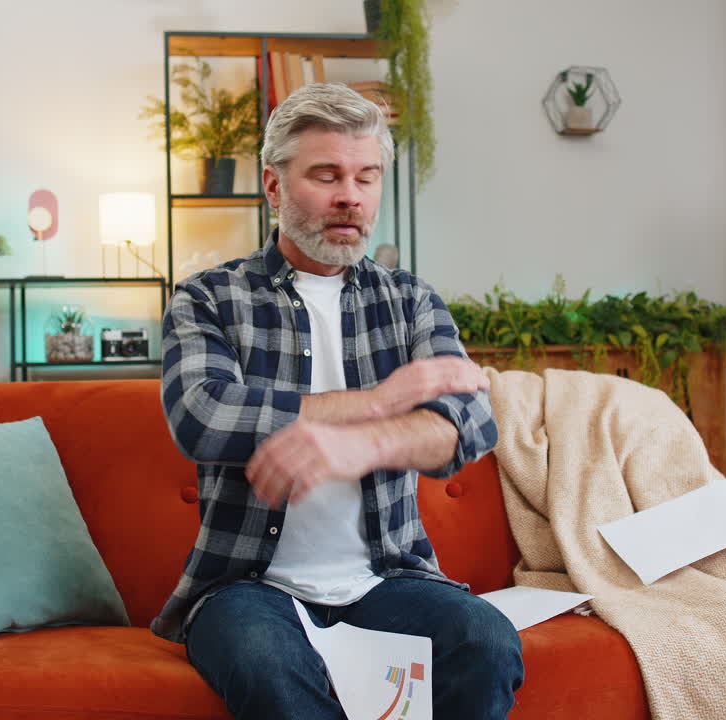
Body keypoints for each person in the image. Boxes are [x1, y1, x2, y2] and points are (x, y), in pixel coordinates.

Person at [153, 82, 524, 720]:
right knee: (268, 666)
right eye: (326, 174)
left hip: (389, 579)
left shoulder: (410, 301)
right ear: (273, 187)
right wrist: (380, 399)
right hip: (247, 588)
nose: (350, 195)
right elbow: (204, 413)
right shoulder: (209, 298)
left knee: (486, 640)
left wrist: (367, 442)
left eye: (366, 176)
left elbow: (469, 419)